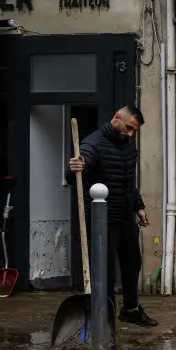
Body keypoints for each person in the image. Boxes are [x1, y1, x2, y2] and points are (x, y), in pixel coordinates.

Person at [66, 105, 157, 327]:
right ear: (116, 118)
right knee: (104, 271)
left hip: (124, 214)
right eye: (128, 128)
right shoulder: (93, 144)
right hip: (101, 219)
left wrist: (138, 206)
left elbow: (128, 182)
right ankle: (104, 318)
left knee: (132, 263)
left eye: (134, 130)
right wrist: (75, 168)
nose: (130, 133)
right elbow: (75, 172)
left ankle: (131, 309)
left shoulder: (128, 145)